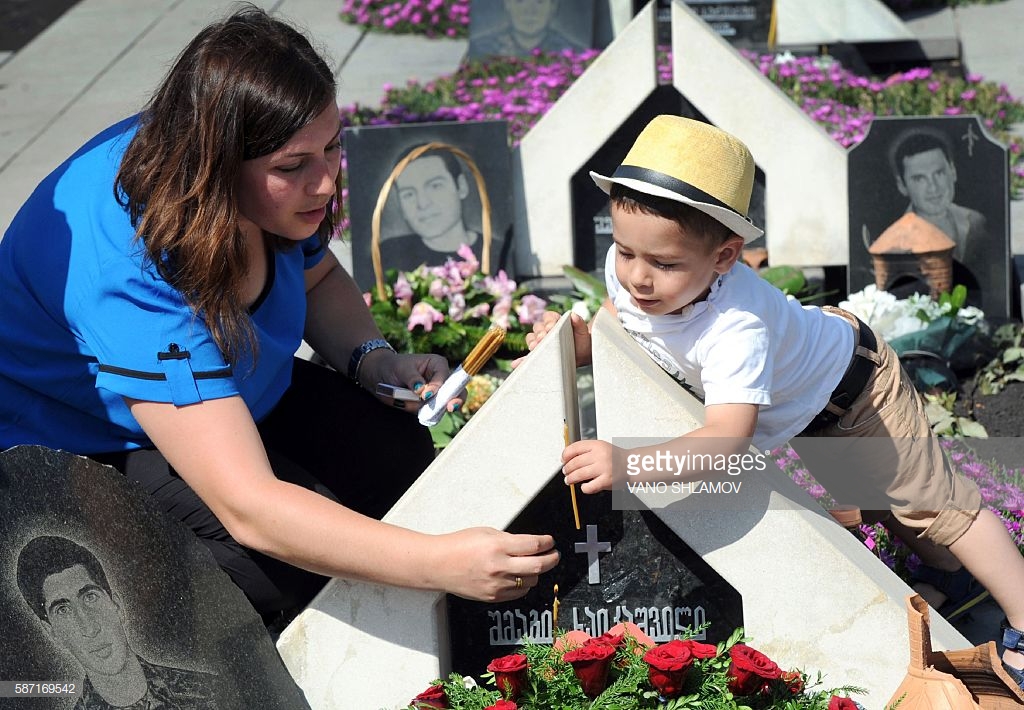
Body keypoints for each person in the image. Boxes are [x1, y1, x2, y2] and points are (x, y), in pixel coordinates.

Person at [0, 6, 557, 623]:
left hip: (234, 384)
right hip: (81, 439)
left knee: (398, 460)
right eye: (293, 167)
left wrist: (373, 360)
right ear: (214, 168)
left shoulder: (263, 173)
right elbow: (251, 508)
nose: (323, 183)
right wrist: (439, 563)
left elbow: (317, 278)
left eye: (333, 148)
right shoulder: (127, 264)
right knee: (269, 578)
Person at [524, 115, 1024, 686]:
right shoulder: (638, 276)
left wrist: (628, 464)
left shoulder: (737, 324)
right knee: (884, 499)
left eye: (662, 264)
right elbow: (622, 321)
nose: (637, 277)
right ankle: (950, 578)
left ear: (725, 257)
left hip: (859, 390)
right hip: (810, 405)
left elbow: (729, 435)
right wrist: (585, 344)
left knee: (937, 508)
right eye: (624, 251)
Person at [16, 536, 217, 709]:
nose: (89, 628)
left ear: (117, 605)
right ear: (52, 632)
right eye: (63, 610)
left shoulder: (210, 693)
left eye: (90, 597)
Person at [887, 126, 988, 292]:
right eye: (919, 179)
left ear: (953, 172)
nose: (933, 187)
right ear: (902, 185)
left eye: (939, 173)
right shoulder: (895, 242)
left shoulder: (976, 222)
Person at [380, 145, 507, 272]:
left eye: (435, 186)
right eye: (409, 194)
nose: (423, 203)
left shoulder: (499, 253)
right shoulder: (388, 255)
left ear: (461, 187)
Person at [467, 0, 585, 58]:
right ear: (507, 4)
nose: (529, 11)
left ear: (552, 7)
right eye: (520, 1)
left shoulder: (574, 53)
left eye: (539, 2)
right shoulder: (481, 49)